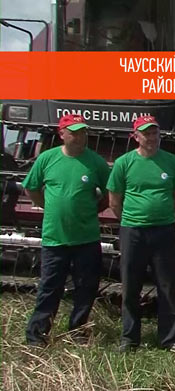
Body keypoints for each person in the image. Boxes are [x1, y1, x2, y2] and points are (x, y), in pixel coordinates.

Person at [22, 114, 110, 346]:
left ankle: (78, 331)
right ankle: (37, 335)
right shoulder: (47, 159)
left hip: (86, 237)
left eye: (83, 132)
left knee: (86, 288)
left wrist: (93, 209)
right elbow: (31, 188)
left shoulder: (96, 162)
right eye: (74, 132)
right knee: (50, 287)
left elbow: (109, 194)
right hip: (55, 238)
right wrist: (49, 206)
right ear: (62, 134)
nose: (80, 136)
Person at [108, 115, 175, 354]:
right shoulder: (124, 163)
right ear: (136, 137)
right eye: (146, 133)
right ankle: (129, 338)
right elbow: (114, 200)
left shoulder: (171, 162)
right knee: (131, 286)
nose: (152, 137)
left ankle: (170, 339)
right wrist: (133, 219)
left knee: (167, 286)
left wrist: (162, 215)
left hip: (163, 231)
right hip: (133, 231)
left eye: (155, 133)